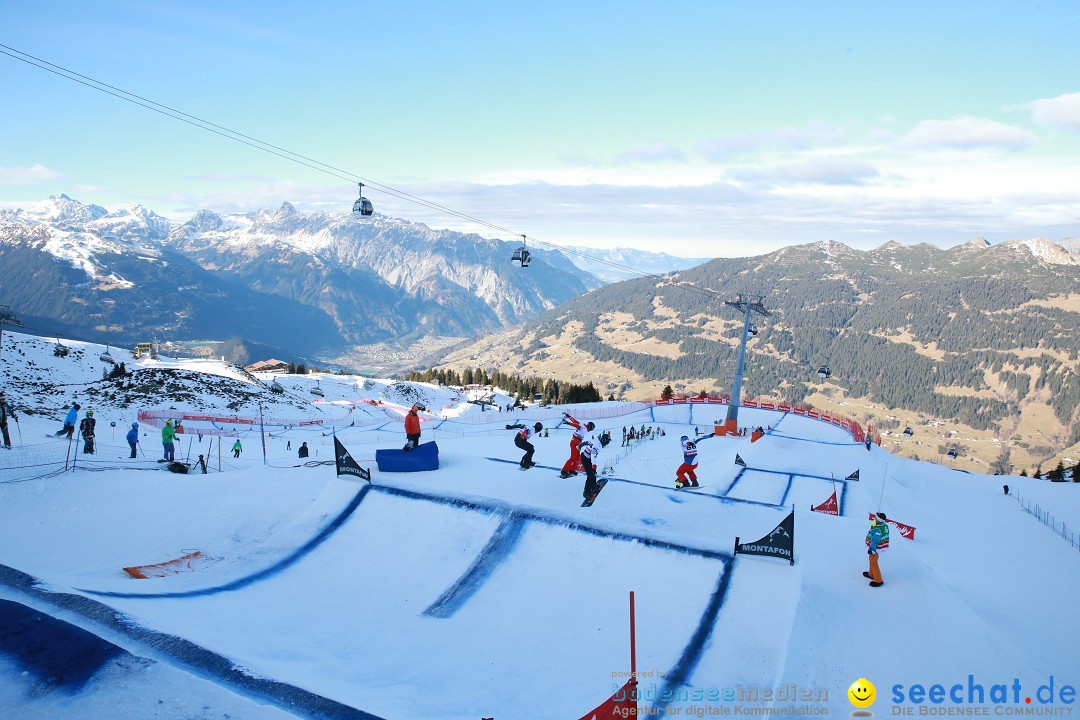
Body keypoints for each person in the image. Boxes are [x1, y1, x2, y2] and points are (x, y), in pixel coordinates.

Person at [560, 412, 595, 478]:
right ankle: (564, 471)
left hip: (577, 444)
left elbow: (574, 421)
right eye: (591, 429)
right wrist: (568, 423)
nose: (590, 431)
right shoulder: (584, 429)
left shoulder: (583, 425)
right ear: (590, 428)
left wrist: (568, 416)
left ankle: (572, 470)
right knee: (572, 458)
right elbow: (576, 426)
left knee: (576, 458)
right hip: (574, 443)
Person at [864, 512, 890, 587]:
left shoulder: (878, 530)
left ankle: (878, 580)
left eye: (876, 518)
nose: (874, 519)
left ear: (879, 520)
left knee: (874, 563)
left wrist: (872, 549)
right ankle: (871, 574)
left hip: (875, 548)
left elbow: (875, 540)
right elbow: (876, 525)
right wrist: (874, 525)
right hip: (877, 548)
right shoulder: (883, 525)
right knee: (872, 561)